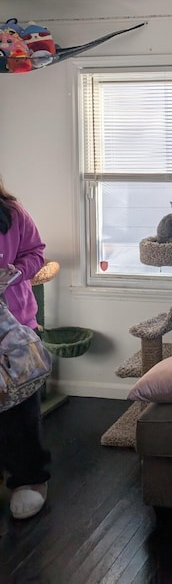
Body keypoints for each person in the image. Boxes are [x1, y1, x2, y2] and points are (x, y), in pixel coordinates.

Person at [0, 176, 49, 519]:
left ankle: (30, 480)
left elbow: (36, 252)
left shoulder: (12, 213)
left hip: (15, 326)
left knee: (21, 410)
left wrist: (15, 271)